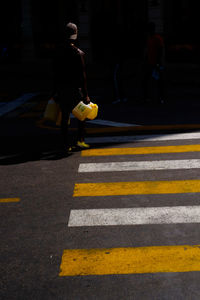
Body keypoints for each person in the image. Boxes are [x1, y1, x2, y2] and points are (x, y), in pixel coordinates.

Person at [52, 22, 90, 152]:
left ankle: (64, 144)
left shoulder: (57, 53)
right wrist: (86, 95)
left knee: (64, 117)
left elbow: (54, 74)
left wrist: (55, 91)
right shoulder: (78, 53)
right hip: (75, 91)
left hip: (62, 90)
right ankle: (80, 141)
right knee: (82, 115)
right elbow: (82, 77)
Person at [142, 22, 165, 104]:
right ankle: (151, 97)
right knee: (149, 80)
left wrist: (159, 62)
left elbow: (161, 50)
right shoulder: (151, 38)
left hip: (155, 63)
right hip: (151, 62)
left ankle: (160, 97)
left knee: (158, 81)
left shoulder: (157, 38)